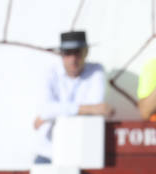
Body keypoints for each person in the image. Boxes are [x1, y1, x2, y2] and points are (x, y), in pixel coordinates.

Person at [33, 30, 111, 164]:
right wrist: (90, 109)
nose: (73, 58)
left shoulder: (96, 70)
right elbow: (47, 109)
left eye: (77, 52)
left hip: (83, 152)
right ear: (61, 54)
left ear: (85, 52)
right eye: (68, 53)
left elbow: (48, 112)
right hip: (49, 152)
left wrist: (53, 113)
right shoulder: (51, 73)